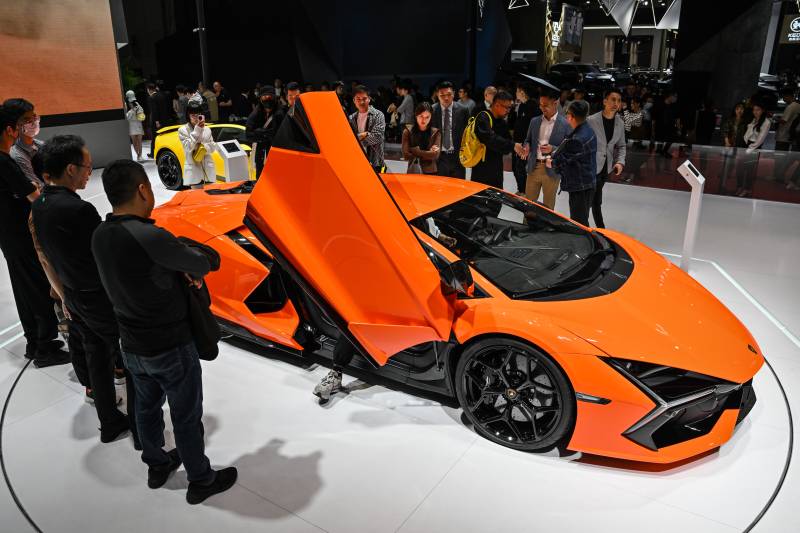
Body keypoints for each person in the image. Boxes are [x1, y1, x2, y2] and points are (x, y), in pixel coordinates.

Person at [92, 160, 237, 503]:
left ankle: (156, 463)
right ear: (143, 189)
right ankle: (201, 479)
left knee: (145, 407)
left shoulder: (99, 234)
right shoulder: (149, 235)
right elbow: (202, 263)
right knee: (186, 414)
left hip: (130, 343)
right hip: (169, 345)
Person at [32, 135, 134, 443]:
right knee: (130, 356)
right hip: (98, 297)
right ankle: (143, 426)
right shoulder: (79, 210)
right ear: (70, 169)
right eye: (87, 166)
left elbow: (45, 255)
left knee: (96, 357)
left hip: (73, 295)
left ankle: (109, 420)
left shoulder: (40, 204)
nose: (90, 171)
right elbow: (103, 257)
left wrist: (63, 296)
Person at [0, 105, 69, 367]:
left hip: (9, 234)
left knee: (24, 288)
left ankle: (34, 343)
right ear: (10, 129)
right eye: (22, 123)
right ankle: (44, 347)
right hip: (18, 234)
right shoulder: (6, 161)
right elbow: (33, 196)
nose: (25, 128)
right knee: (37, 289)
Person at [549, 100, 596, 226]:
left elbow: (565, 160)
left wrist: (552, 163)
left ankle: (584, 245)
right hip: (587, 182)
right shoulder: (587, 129)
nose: (566, 116)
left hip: (580, 185)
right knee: (581, 219)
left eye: (567, 113)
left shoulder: (578, 138)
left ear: (572, 116)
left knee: (579, 222)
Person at [522, 91, 571, 209]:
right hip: (534, 167)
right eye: (540, 105)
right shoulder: (534, 121)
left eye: (545, 105)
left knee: (548, 207)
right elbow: (527, 139)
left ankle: (546, 228)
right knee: (528, 205)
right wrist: (527, 146)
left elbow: (569, 148)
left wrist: (552, 149)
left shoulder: (565, 124)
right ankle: (527, 226)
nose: (542, 108)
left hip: (552, 170)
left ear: (555, 103)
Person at [587, 89, 626, 228]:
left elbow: (622, 146)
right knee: (591, 201)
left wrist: (620, 162)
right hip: (591, 168)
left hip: (606, 168)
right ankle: (599, 230)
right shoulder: (591, 120)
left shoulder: (620, 123)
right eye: (613, 99)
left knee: (595, 201)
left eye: (619, 100)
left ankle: (599, 231)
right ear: (605, 101)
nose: (616, 103)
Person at [471, 91, 525, 189]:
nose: (509, 111)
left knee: (496, 202)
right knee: (479, 201)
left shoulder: (502, 122)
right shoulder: (483, 117)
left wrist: (511, 145)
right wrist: (512, 145)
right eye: (507, 107)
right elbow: (490, 139)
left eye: (510, 108)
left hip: (497, 171)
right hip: (481, 170)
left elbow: (506, 147)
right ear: (496, 105)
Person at [178, 96, 217, 189]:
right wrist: (197, 130)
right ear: (188, 115)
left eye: (198, 115)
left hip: (208, 169)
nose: (196, 118)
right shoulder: (183, 130)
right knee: (197, 199)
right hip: (194, 170)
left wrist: (203, 148)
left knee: (210, 199)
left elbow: (212, 148)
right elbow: (188, 148)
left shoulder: (207, 129)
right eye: (193, 115)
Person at [432, 81, 469, 178]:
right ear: (437, 95)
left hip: (458, 157)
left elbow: (467, 133)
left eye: (449, 94)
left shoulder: (463, 110)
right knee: (439, 189)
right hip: (439, 158)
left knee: (459, 190)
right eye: (442, 95)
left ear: (454, 93)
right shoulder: (432, 110)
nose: (446, 98)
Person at [246, 86, 285, 178]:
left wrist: (261, 133)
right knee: (260, 174)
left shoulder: (280, 113)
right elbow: (248, 134)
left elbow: (282, 133)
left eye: (270, 96)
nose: (267, 99)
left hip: (276, 150)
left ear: (275, 97)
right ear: (260, 98)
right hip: (261, 149)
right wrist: (264, 134)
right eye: (264, 97)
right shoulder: (256, 113)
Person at [347, 85, 386, 173]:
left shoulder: (378, 115)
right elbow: (347, 139)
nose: (361, 102)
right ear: (354, 100)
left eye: (364, 98)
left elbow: (377, 137)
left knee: (378, 186)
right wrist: (365, 134)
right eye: (358, 99)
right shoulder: (351, 118)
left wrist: (356, 140)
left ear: (369, 99)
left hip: (376, 163)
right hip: (358, 161)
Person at [6, 98, 44, 187]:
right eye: (27, 120)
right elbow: (38, 187)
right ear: (16, 125)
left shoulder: (40, 144)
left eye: (34, 117)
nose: (34, 122)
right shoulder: (17, 155)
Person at [510, 83, 540, 194]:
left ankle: (524, 191)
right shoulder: (521, 105)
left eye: (517, 91)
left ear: (522, 92)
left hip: (526, 143)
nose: (516, 93)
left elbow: (533, 127)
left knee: (520, 168)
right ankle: (521, 189)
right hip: (517, 142)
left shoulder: (533, 106)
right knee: (515, 167)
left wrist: (528, 143)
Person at [737, 102, 771, 198]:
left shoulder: (767, 122)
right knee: (740, 168)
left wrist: (748, 150)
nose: (755, 112)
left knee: (749, 170)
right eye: (754, 110)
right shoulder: (753, 119)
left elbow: (760, 140)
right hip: (746, 145)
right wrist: (744, 145)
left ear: (762, 110)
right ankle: (740, 187)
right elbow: (748, 133)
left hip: (754, 148)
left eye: (758, 110)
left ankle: (747, 189)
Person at [402, 102, 441, 174]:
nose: (424, 120)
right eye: (421, 116)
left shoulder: (436, 132)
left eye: (427, 117)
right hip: (414, 170)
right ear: (416, 115)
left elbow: (435, 155)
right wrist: (428, 153)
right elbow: (406, 155)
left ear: (431, 117)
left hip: (431, 172)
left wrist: (415, 151)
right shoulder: (407, 131)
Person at [125, 90, 145, 161]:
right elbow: (126, 117)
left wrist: (138, 111)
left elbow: (142, 116)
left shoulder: (137, 104)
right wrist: (132, 111)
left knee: (139, 141)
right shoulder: (125, 104)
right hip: (131, 125)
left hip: (138, 124)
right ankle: (138, 155)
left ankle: (140, 156)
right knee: (134, 142)